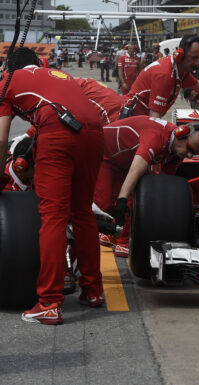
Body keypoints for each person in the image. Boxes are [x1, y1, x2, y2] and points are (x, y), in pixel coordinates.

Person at [0, 48, 105, 324]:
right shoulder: (60, 75)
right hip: (95, 132)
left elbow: (1, 140)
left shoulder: (6, 81)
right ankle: (93, 291)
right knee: (82, 212)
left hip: (59, 135)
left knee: (53, 217)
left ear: (8, 68)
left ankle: (49, 303)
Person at [94, 116, 199, 257]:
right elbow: (135, 171)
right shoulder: (156, 137)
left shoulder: (176, 152)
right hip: (103, 154)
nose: (190, 156)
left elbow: (163, 184)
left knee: (139, 196)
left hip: (124, 161)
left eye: (196, 153)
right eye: (190, 149)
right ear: (180, 134)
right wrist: (122, 199)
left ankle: (121, 239)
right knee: (104, 206)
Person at [121, 35, 199, 119]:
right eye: (194, 58)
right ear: (180, 54)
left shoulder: (179, 71)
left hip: (139, 118)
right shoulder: (165, 74)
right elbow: (154, 119)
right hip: (133, 119)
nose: (198, 64)